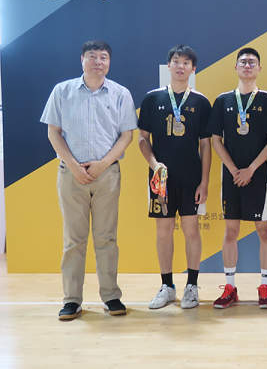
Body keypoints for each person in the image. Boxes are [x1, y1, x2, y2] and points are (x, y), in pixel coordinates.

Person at [41, 40, 137, 320]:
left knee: (107, 238)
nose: (98, 62)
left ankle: (111, 296)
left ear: (109, 62)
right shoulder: (62, 91)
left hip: (107, 175)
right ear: (82, 60)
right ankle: (72, 300)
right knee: (74, 240)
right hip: (71, 175)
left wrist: (102, 165)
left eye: (103, 57)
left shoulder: (120, 93)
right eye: (92, 56)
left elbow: (127, 136)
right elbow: (53, 132)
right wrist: (74, 166)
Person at [137, 45, 212, 310]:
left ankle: (192, 286)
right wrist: (154, 164)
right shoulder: (152, 99)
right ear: (168, 65)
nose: (181, 66)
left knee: (191, 230)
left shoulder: (201, 102)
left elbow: (206, 145)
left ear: (193, 69)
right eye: (176, 61)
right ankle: (167, 286)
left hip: (191, 177)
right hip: (160, 179)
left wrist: (204, 181)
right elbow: (142, 139)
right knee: (164, 231)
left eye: (186, 63)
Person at [209, 47, 267, 309]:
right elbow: (216, 140)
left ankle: (264, 286)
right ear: (236, 67)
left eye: (252, 62)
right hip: (231, 176)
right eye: (243, 62)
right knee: (231, 230)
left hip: (259, 175)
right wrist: (233, 169)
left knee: (263, 229)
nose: (247, 66)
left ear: (259, 68)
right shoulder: (223, 100)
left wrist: (250, 169)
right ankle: (230, 287)